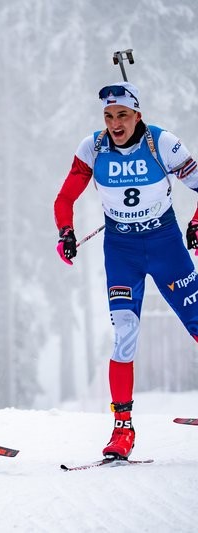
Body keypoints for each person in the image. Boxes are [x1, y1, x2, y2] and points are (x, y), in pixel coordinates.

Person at [54, 81, 198, 459]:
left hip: (165, 246)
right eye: (108, 116)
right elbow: (65, 196)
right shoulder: (93, 147)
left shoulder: (161, 143)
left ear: (138, 115)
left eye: (122, 115)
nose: (115, 124)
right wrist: (65, 232)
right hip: (122, 251)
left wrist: (196, 222)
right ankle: (123, 430)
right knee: (125, 335)